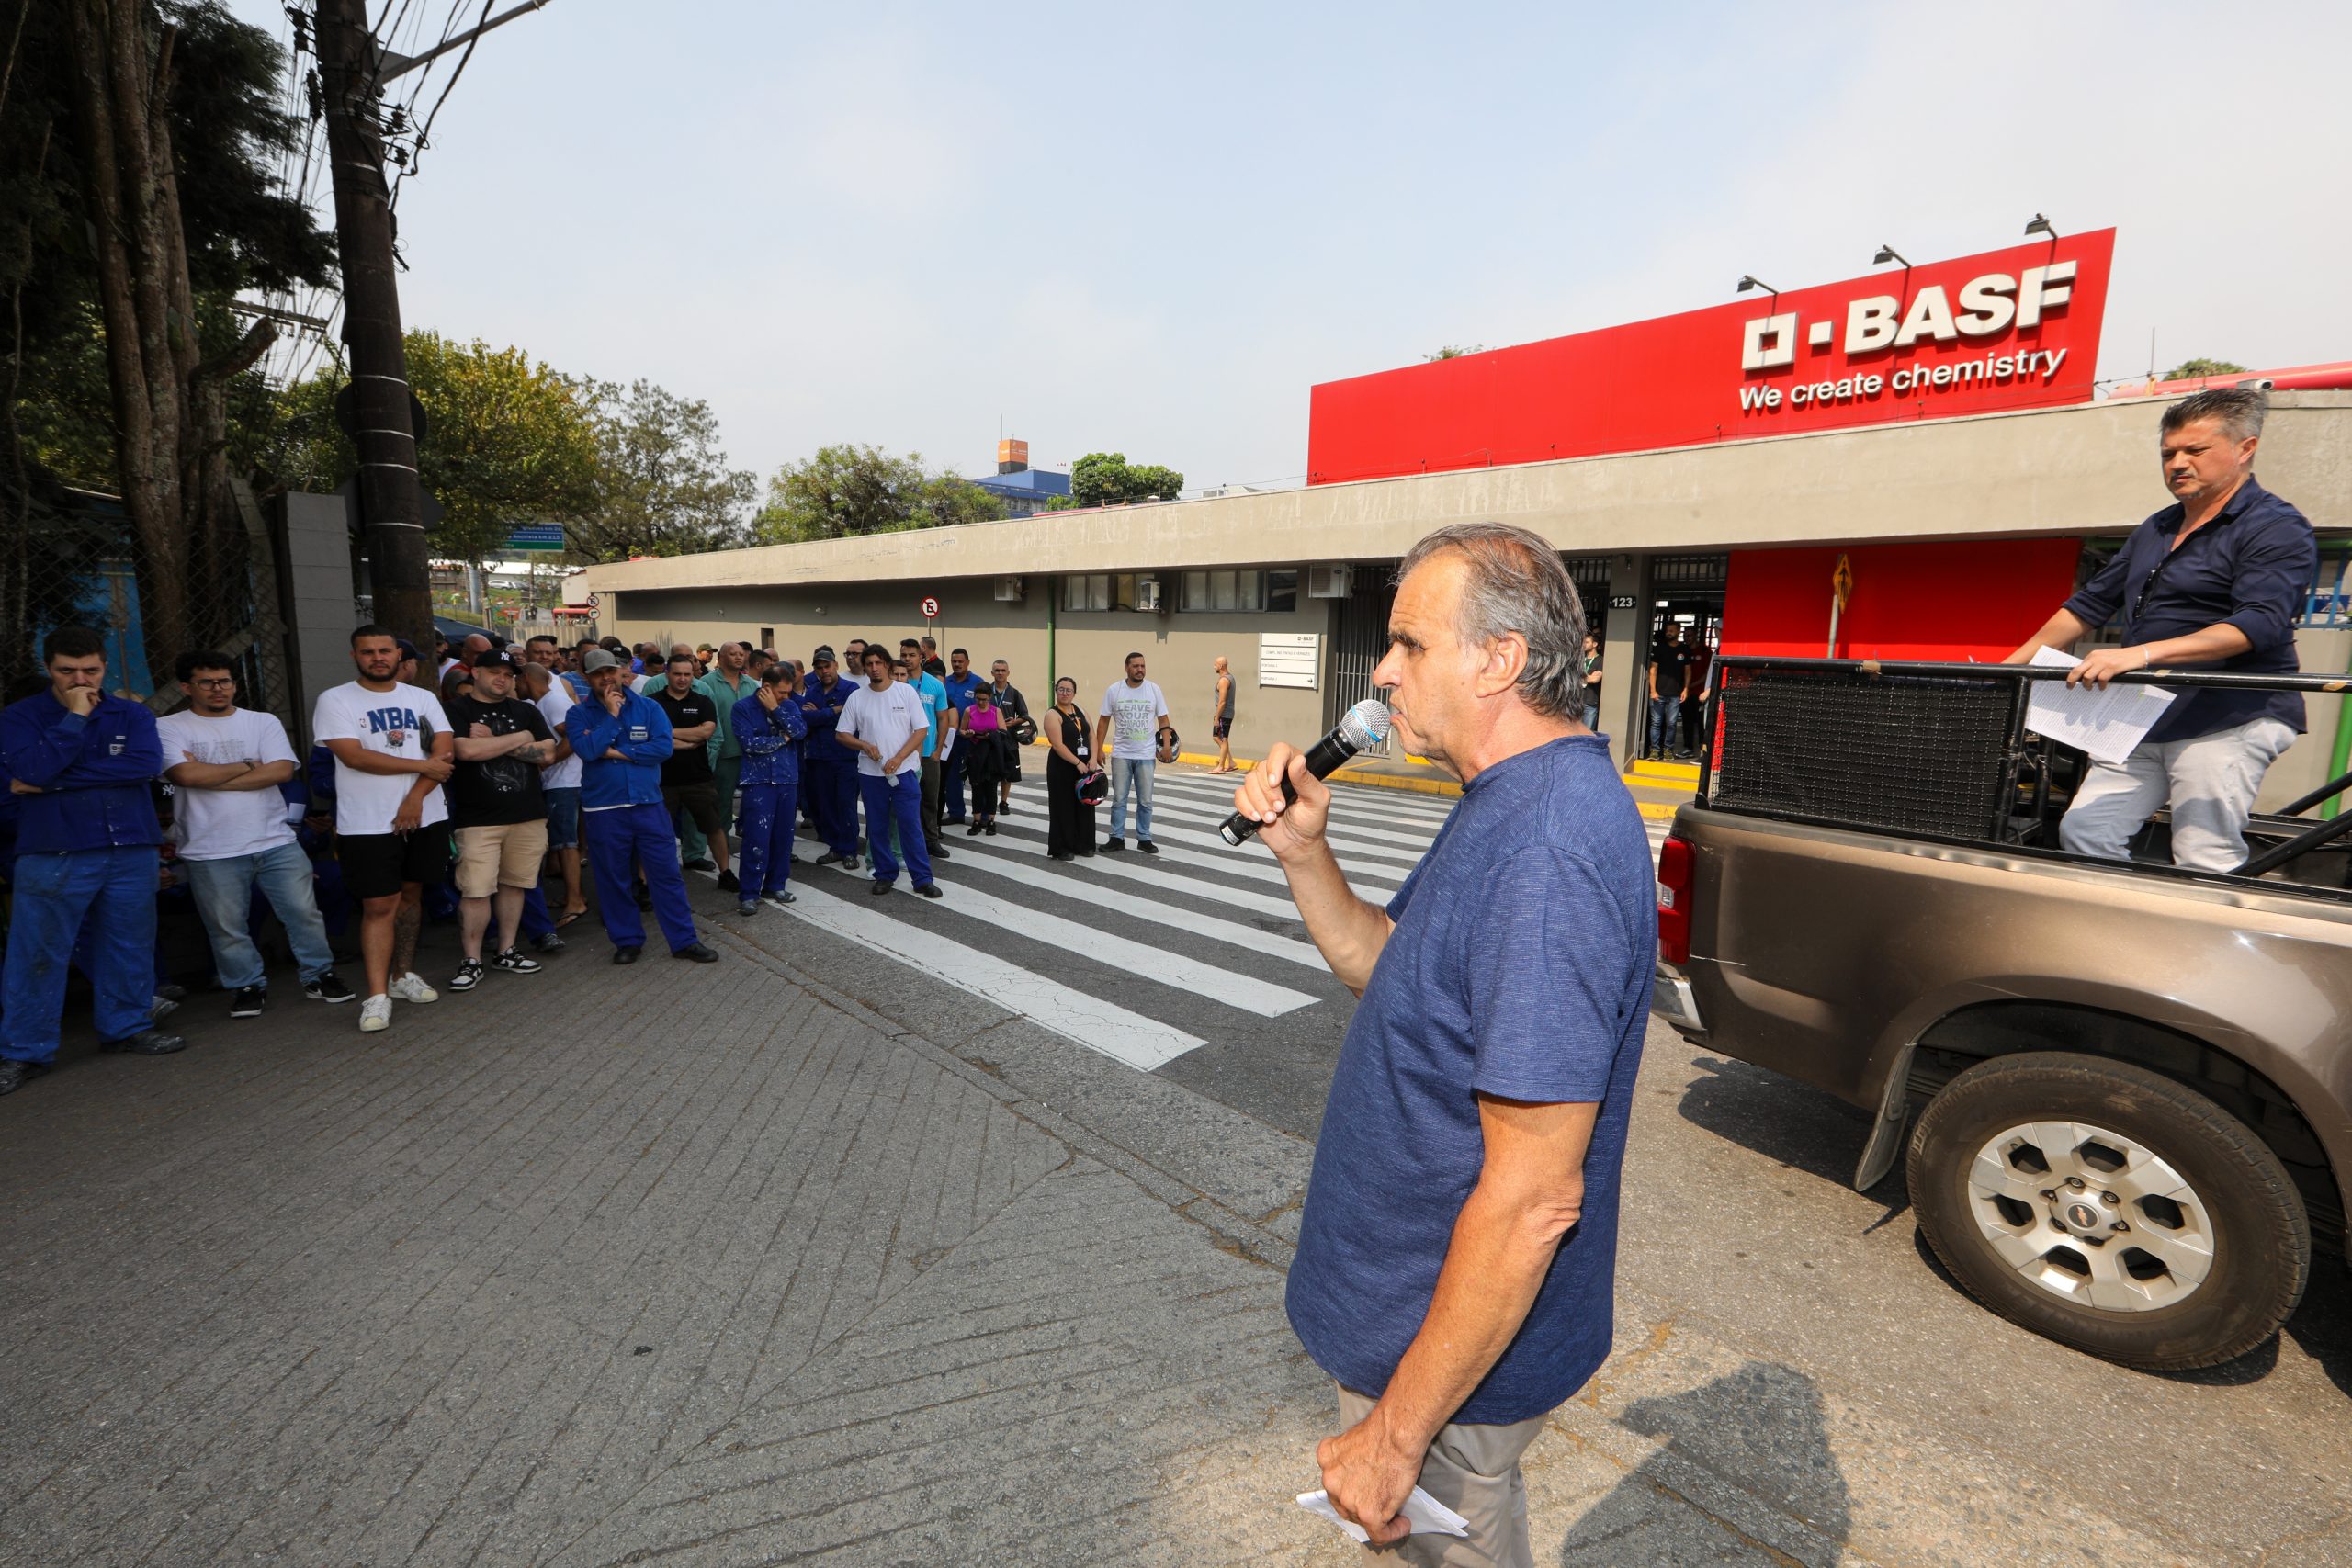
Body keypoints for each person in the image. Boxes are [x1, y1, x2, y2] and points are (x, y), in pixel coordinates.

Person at [1229, 521, 1649, 1564]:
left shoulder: (1545, 853)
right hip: (1410, 1315)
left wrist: (1395, 1433)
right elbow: (1388, 965)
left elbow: (1533, 1196)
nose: (1381, 671)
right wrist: (1303, 853)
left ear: (1498, 659)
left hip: (1444, 1364)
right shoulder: (1507, 802)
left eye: (1410, 643)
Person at [2008, 387, 2317, 872]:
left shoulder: (2275, 526)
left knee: (2203, 855)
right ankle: (2114, 941)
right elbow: (2090, 603)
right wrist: (2010, 666)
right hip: (2143, 713)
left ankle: (2210, 947)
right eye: (2168, 453)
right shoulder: (2157, 527)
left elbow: (2261, 624)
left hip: (2229, 715)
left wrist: (2142, 654)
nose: (2178, 463)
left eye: (2195, 450)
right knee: (2086, 832)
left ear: (2245, 448)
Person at [0, 627, 185, 1094]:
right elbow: (29, 771)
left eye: (91, 670)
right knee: (37, 955)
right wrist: (76, 719)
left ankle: (126, 1029)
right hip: (55, 850)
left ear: (105, 667)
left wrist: (55, 780)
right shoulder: (20, 716)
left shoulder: (132, 714)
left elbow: (141, 767)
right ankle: (24, 1052)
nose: (79, 679)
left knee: (128, 943)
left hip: (130, 848)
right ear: (49, 669)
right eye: (67, 671)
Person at [158, 651, 349, 1017]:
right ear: (186, 687)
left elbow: (280, 772)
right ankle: (246, 986)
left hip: (275, 840)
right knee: (227, 927)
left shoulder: (262, 721)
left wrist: (209, 776)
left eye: (225, 681)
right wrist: (249, 764)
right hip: (209, 848)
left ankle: (319, 974)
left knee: (304, 913)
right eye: (207, 682)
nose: (219, 689)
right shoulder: (168, 727)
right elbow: (185, 777)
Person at [312, 625, 456, 1033]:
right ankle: (375, 996)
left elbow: (443, 753)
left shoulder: (422, 697)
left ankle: (402, 977)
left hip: (424, 816)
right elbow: (354, 757)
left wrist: (415, 797)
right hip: (366, 822)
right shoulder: (335, 699)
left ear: (398, 655)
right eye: (368, 651)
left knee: (412, 895)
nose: (377, 657)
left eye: (385, 650)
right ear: (354, 656)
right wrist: (420, 767)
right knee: (379, 905)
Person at [565, 649, 718, 964]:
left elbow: (662, 748)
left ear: (623, 671)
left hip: (648, 804)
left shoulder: (650, 708)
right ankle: (627, 940)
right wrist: (611, 716)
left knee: (666, 875)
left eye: (611, 671)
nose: (606, 678)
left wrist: (618, 752)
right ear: (587, 677)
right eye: (598, 673)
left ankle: (684, 941)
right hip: (604, 809)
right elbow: (588, 750)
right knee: (613, 877)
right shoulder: (578, 714)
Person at [442, 650, 555, 992]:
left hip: (528, 815)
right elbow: (465, 752)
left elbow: (548, 755)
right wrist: (521, 739)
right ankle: (472, 959)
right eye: (494, 672)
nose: (502, 679)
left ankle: (507, 950)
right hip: (477, 819)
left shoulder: (526, 711)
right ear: (475, 672)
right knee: (475, 890)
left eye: (508, 673)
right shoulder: (456, 710)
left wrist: (494, 741)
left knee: (515, 885)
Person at [838, 644, 939, 898]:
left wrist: (899, 758)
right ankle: (884, 874)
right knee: (878, 826)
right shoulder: (857, 697)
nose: (874, 668)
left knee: (910, 825)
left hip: (904, 772)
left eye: (878, 663)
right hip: (871, 775)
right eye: (869, 664)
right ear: (865, 666)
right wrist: (862, 744)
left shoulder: (905, 693)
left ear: (886, 664)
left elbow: (921, 730)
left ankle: (922, 878)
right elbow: (842, 734)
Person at [730, 662, 807, 913]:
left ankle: (775, 885)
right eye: (781, 692)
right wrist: (780, 739)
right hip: (758, 781)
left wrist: (776, 708)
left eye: (788, 692)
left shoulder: (788, 705)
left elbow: (799, 731)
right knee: (756, 838)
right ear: (766, 687)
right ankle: (749, 893)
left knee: (784, 837)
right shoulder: (742, 708)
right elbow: (749, 744)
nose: (787, 696)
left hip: (787, 779)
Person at [650, 655, 732, 886]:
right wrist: (686, 737)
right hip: (662, 780)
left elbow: (706, 732)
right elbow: (650, 737)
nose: (683, 679)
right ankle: (648, 882)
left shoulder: (703, 700)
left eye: (687, 674)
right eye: (677, 674)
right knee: (656, 833)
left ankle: (725, 873)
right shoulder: (652, 702)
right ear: (667, 674)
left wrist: (666, 732)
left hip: (698, 778)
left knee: (713, 827)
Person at [521, 661, 586, 927]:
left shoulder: (553, 701)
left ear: (526, 679)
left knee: (567, 844)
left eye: (517, 680)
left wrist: (548, 762)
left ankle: (576, 901)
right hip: (560, 782)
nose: (515, 685)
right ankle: (573, 896)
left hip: (566, 782)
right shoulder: (545, 702)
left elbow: (575, 736)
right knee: (562, 842)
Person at [1094, 651, 1170, 854]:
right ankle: (1116, 837)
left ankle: (1144, 838)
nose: (1140, 670)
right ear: (1126, 668)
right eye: (1136, 666)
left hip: (1145, 755)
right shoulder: (1114, 690)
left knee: (1145, 800)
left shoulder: (1154, 690)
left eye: (1143, 666)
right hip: (1121, 754)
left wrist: (1167, 746)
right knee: (1119, 799)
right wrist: (1099, 749)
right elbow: (1103, 721)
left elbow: (1163, 720)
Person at [693, 642, 758, 871]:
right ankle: (723, 850)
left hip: (751, 754)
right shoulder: (705, 684)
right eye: (733, 654)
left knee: (753, 805)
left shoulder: (752, 684)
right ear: (720, 658)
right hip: (723, 754)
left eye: (741, 654)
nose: (739, 657)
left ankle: (755, 846)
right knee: (721, 805)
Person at [800, 647, 861, 871]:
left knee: (845, 804)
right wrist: (834, 710)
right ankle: (835, 846)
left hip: (844, 757)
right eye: (819, 667)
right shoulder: (813, 690)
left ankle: (849, 850)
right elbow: (807, 717)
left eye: (827, 666)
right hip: (818, 758)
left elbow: (851, 718)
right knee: (825, 806)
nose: (824, 670)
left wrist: (821, 713)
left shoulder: (851, 688)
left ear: (836, 665)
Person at [899, 637, 955, 860]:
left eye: (911, 655)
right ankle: (903, 843)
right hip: (902, 754)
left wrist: (938, 750)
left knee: (930, 799)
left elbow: (943, 719)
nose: (907, 659)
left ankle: (931, 840)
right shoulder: (897, 683)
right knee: (903, 801)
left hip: (928, 754)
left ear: (921, 656)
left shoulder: (934, 684)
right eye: (903, 655)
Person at [1041, 676, 1096, 861]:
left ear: (1074, 693)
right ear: (1056, 691)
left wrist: (1093, 758)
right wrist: (1077, 763)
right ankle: (1062, 847)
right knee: (1063, 806)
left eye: (1068, 690)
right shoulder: (1052, 714)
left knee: (1085, 804)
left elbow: (1091, 736)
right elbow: (1057, 745)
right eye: (1061, 689)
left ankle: (1084, 844)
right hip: (1063, 766)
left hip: (1085, 765)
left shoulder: (1080, 709)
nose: (1064, 693)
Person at [959, 684, 1014, 836]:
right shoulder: (969, 711)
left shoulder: (996, 711)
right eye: (978, 699)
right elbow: (962, 730)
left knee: (991, 789)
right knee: (976, 788)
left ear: (989, 698)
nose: (981, 702)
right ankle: (976, 821)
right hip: (975, 753)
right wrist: (968, 733)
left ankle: (991, 821)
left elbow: (1003, 732)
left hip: (991, 754)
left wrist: (991, 735)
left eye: (984, 699)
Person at [939, 648, 984, 824]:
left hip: (974, 739)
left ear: (968, 662)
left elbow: (984, 709)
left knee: (978, 778)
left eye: (960, 661)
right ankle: (956, 813)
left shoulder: (978, 683)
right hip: (951, 739)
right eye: (954, 661)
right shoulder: (945, 683)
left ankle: (984, 815)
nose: (957, 664)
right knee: (952, 777)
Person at [984, 660, 1031, 813]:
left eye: (1003, 670)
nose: (1000, 673)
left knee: (1007, 773)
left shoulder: (1015, 693)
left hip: (1008, 740)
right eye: (997, 670)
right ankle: (988, 802)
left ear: (1008, 673)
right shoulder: (986, 692)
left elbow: (1025, 716)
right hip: (988, 739)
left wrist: (1011, 724)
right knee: (989, 773)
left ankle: (1004, 802)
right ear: (992, 673)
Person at [1645, 626, 1685, 762]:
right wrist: (1653, 690)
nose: (1669, 632)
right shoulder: (1659, 648)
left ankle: (1668, 750)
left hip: (1676, 693)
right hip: (1659, 693)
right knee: (1656, 723)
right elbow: (1652, 670)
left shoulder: (1684, 649)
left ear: (1678, 631)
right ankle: (1655, 751)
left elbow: (1688, 671)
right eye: (1668, 630)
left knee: (1672, 723)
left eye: (1672, 630)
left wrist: (1686, 689)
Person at [1679, 634, 1713, 756]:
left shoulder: (1705, 651)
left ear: (1696, 636)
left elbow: (1708, 674)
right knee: (1687, 721)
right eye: (1685, 635)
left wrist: (1690, 686)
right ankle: (1688, 748)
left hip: (1700, 693)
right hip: (1686, 693)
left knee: (1701, 722)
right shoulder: (1683, 650)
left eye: (1690, 635)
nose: (1687, 638)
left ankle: (1702, 749)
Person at [1211, 655, 1237, 773]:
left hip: (1224, 714)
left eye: (1215, 664)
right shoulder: (1229, 677)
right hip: (1224, 713)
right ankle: (1231, 762)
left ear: (1221, 666)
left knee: (1223, 738)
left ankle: (1221, 766)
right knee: (1217, 737)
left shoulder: (1224, 680)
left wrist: (1217, 717)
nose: (1214, 666)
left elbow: (1222, 701)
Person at [1580, 631, 1602, 731]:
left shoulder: (1601, 660)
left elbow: (1595, 679)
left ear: (1595, 644)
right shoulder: (1579, 659)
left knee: (1587, 733)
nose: (1584, 644)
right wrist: (1589, 677)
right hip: (1576, 702)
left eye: (1587, 642)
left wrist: (1579, 677)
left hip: (1591, 702)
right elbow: (1571, 676)